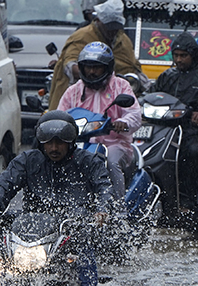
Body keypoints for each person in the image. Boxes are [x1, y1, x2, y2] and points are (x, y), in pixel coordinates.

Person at [0, 110, 114, 286]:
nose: (54, 148)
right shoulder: (27, 160)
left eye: (59, 142)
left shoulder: (89, 161)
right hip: (33, 229)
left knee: (83, 237)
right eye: (49, 143)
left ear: (70, 142)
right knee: (0, 242)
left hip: (71, 227)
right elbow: (4, 185)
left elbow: (104, 187)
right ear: (41, 142)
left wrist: (102, 210)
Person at [148, 32, 198, 207]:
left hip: (197, 130)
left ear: (193, 55)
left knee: (193, 152)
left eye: (183, 56)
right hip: (167, 129)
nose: (179, 60)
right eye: (176, 55)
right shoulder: (167, 76)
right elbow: (152, 95)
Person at [57, 41, 140, 202]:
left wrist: (123, 122)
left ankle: (117, 209)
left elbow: (135, 114)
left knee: (111, 163)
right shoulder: (73, 91)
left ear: (107, 67)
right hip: (79, 145)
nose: (92, 71)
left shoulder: (121, 86)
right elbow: (60, 116)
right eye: (88, 67)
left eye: (97, 67)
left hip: (114, 144)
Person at [48, 0, 145, 111]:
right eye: (108, 27)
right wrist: (94, 76)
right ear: (98, 20)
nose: (112, 31)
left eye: (116, 27)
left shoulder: (123, 40)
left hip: (114, 102)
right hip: (80, 100)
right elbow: (70, 64)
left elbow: (132, 67)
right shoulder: (82, 36)